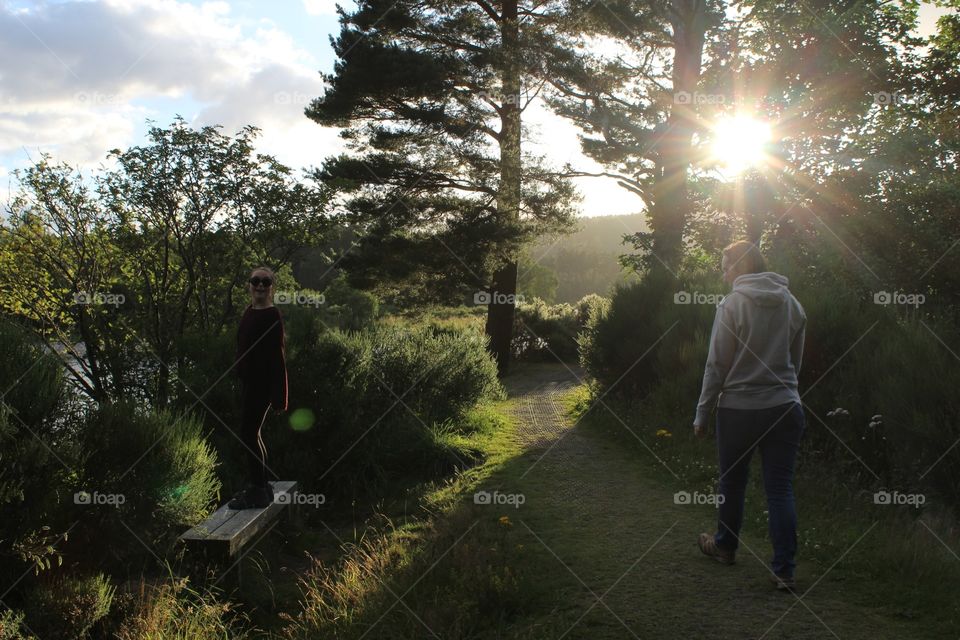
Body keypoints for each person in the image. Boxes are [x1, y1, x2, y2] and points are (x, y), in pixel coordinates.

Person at [692, 241, 806, 591]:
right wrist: (786, 390)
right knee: (780, 489)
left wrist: (703, 412)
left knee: (732, 483)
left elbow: (716, 364)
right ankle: (784, 570)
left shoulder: (731, 305)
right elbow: (794, 360)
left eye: (725, 265)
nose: (723, 273)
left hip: (739, 410)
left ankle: (725, 547)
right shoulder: (792, 303)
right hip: (785, 406)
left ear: (740, 267)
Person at [229, 266, 288, 510]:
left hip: (262, 385)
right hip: (249, 383)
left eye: (265, 282)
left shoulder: (271, 316)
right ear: (249, 285)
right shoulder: (249, 311)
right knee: (252, 433)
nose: (260, 285)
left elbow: (277, 356)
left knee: (247, 433)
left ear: (272, 287)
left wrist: (279, 395)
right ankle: (262, 485)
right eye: (256, 281)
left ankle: (257, 491)